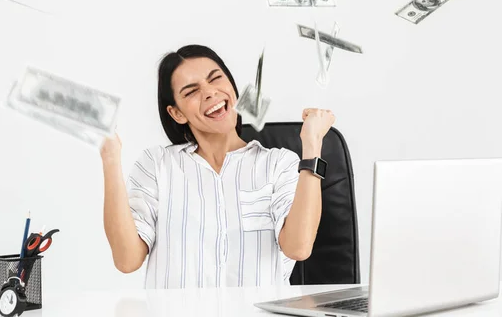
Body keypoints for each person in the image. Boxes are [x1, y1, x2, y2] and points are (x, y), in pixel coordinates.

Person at [101, 44, 335, 288]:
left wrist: (312, 144)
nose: (210, 92)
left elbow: (298, 247)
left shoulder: (279, 163)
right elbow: (127, 260)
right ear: (177, 113)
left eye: (215, 79)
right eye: (191, 92)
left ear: (232, 88)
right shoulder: (157, 164)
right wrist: (110, 158)